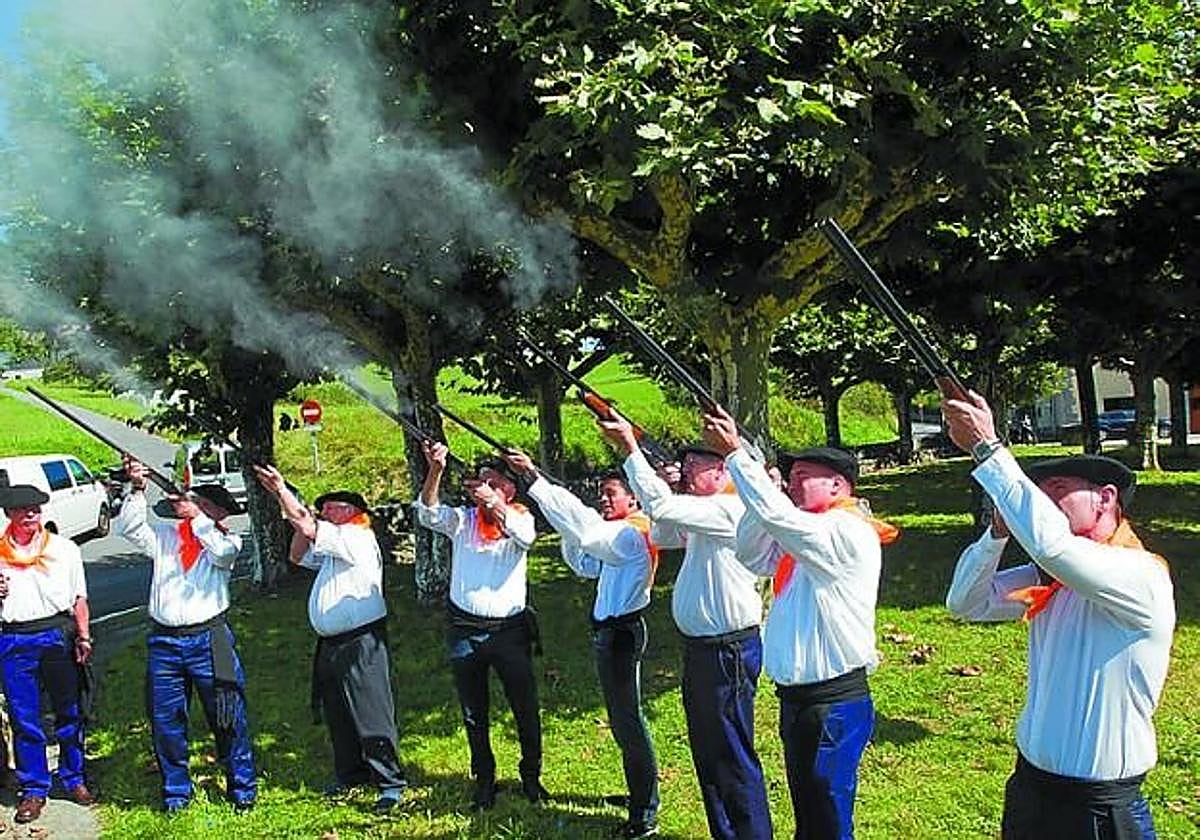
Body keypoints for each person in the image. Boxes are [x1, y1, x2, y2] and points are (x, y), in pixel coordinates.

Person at [942, 390, 1174, 839]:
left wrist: (988, 448)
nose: (1045, 505)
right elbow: (965, 603)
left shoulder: (1140, 575)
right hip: (1031, 788)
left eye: (1060, 492)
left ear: (1106, 499)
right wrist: (996, 533)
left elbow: (1053, 545)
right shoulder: (1052, 577)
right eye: (1040, 496)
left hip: (1098, 810)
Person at [702, 406, 896, 840]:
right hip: (799, 701)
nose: (793, 481)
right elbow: (751, 552)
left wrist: (738, 456)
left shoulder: (845, 530)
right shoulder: (803, 534)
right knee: (810, 816)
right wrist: (761, 496)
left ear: (837, 484)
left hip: (833, 704)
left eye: (803, 473)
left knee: (827, 819)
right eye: (790, 475)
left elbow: (779, 520)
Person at [600, 413, 773, 840]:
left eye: (695, 464)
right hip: (703, 649)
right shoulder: (702, 510)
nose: (687, 469)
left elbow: (657, 507)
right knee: (709, 755)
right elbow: (661, 532)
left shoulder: (730, 506)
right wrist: (670, 485)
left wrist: (631, 450)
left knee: (731, 756)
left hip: (727, 648)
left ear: (721, 471)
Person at [504, 451, 661, 839]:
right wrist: (569, 529)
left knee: (629, 723)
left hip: (622, 635)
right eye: (600, 494)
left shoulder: (631, 532)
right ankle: (641, 794)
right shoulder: (619, 532)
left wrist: (535, 481)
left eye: (611, 493)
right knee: (625, 721)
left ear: (633, 499)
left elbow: (587, 530)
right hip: (610, 634)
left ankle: (645, 810)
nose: (603, 500)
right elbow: (585, 560)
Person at [253, 466, 408, 813]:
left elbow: (310, 527)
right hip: (332, 643)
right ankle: (351, 771)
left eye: (333, 507)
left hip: (360, 640)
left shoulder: (356, 536)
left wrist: (282, 492)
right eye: (323, 508)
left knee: (371, 710)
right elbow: (297, 555)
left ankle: (390, 781)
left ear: (352, 512)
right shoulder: (335, 544)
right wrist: (300, 522)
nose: (325, 512)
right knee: (337, 710)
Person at [114, 456, 257, 813]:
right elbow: (130, 529)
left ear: (218, 513)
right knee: (166, 720)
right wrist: (136, 488)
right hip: (164, 641)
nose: (191, 507)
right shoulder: (165, 537)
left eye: (204, 504)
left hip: (210, 639)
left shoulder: (227, 539)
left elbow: (222, 556)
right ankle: (176, 792)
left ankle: (242, 788)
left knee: (228, 714)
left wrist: (199, 519)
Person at [415, 442, 544, 810]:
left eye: (492, 481)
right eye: (480, 482)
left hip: (509, 631)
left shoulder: (520, 516)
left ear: (509, 489)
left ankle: (531, 776)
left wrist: (495, 504)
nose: (482, 487)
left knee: (524, 705)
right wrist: (435, 470)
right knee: (473, 710)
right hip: (464, 630)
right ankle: (484, 780)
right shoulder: (463, 519)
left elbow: (527, 537)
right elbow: (427, 512)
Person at [0, 483, 95, 824]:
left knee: (70, 710)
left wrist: (84, 636)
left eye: (36, 510)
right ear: (9, 514)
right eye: (23, 510)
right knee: (25, 718)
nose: (31, 515)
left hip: (57, 633)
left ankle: (74, 777)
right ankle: (35, 788)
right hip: (14, 638)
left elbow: (78, 599)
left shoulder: (65, 549)